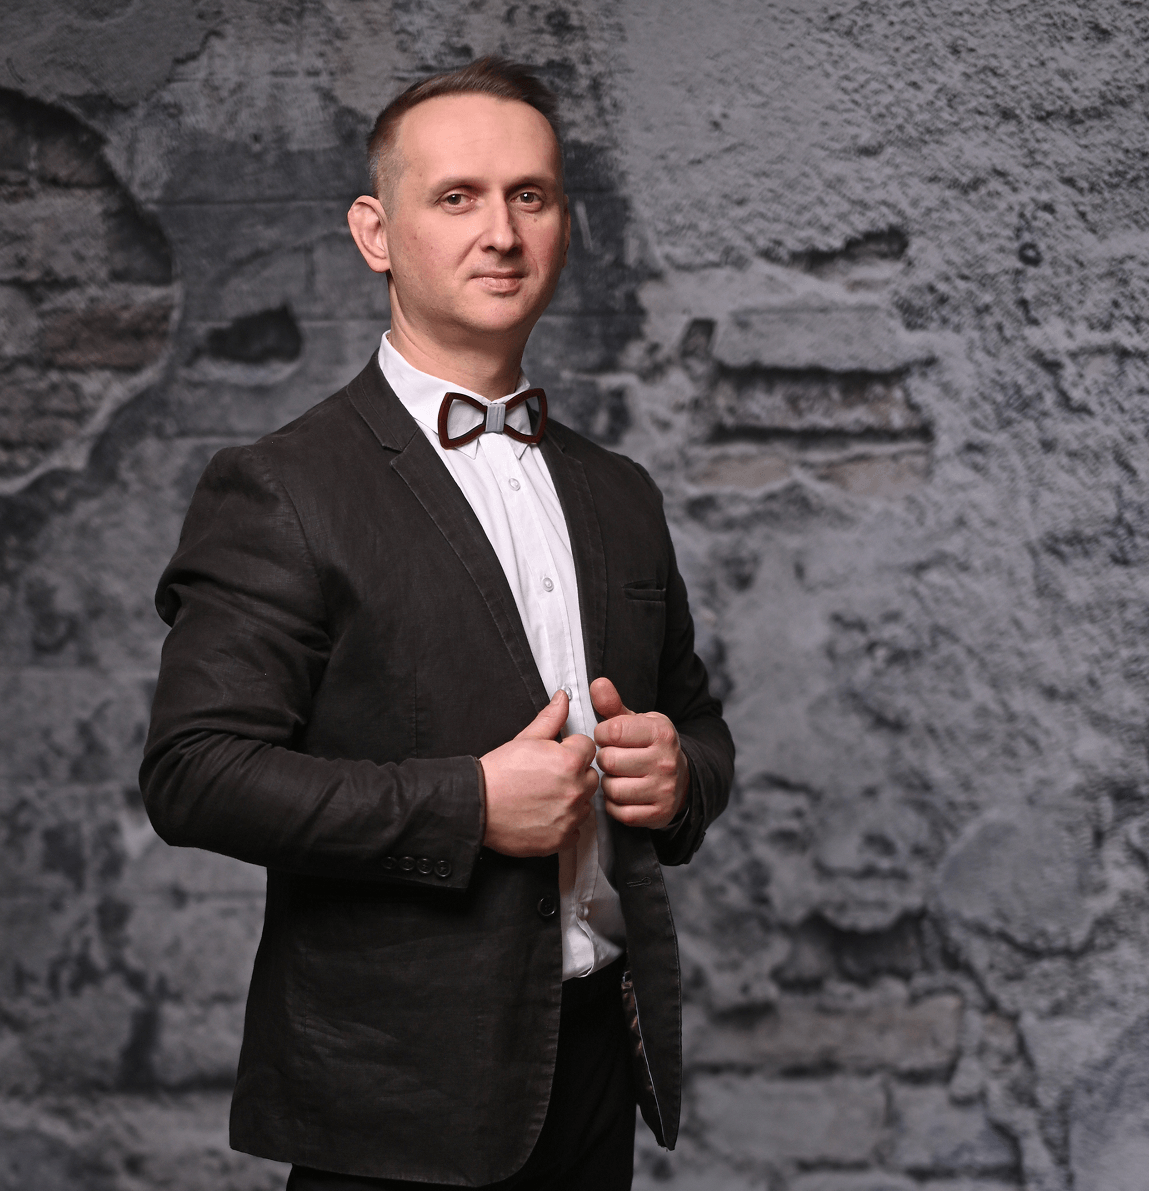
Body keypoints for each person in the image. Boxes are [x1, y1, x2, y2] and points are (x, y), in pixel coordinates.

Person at [141, 55, 734, 1191]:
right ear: (376, 233)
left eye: (531, 196)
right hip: (396, 1094)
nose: (501, 233)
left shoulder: (622, 493)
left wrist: (679, 776)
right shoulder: (282, 488)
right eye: (457, 197)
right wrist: (470, 804)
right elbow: (194, 772)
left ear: (564, 225)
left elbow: (699, 724)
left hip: (599, 1063)